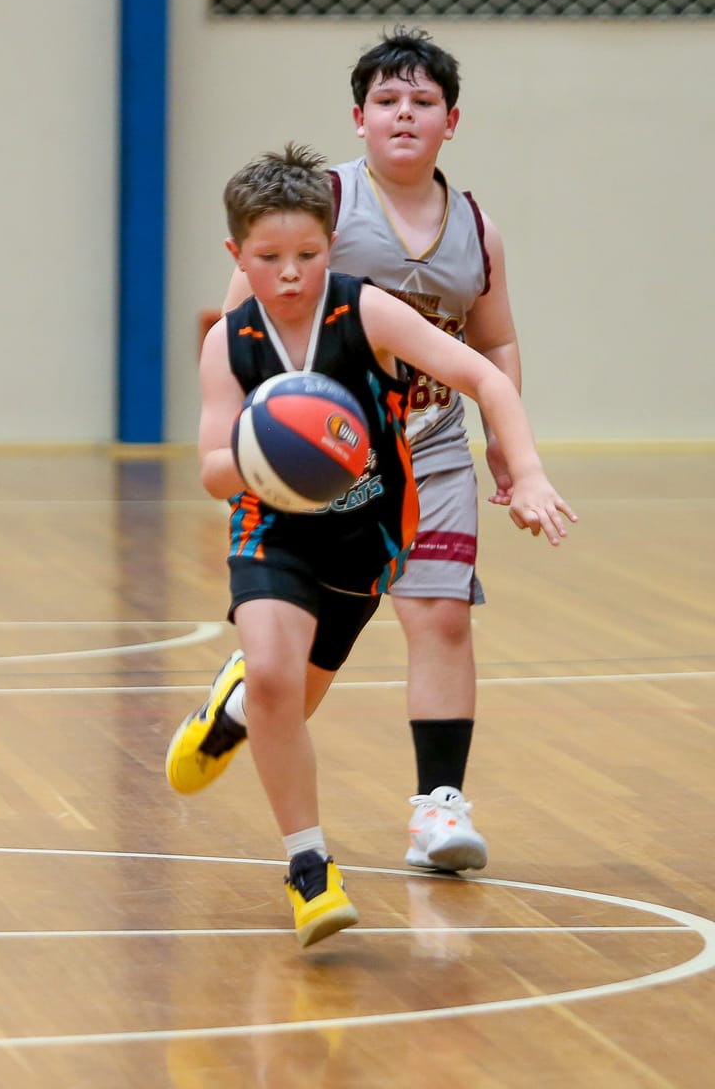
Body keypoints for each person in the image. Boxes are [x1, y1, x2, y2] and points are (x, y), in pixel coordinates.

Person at [166, 144, 576, 947]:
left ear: (333, 244)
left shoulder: (370, 312)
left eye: (308, 256)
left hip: (370, 533)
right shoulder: (231, 343)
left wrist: (523, 470)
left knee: (290, 701)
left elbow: (486, 378)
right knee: (283, 682)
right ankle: (309, 866)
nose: (289, 273)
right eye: (268, 258)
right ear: (236, 257)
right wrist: (268, 453)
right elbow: (215, 471)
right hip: (272, 527)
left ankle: (236, 705)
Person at [217, 27, 521, 873]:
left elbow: (494, 345)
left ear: (450, 121)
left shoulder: (477, 228)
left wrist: (504, 436)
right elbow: (244, 317)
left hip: (432, 445)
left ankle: (438, 810)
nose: (404, 115)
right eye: (387, 101)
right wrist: (258, 426)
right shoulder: (323, 204)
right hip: (328, 456)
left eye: (423, 102)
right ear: (358, 117)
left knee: (442, 617)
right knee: (311, 663)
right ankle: (246, 697)